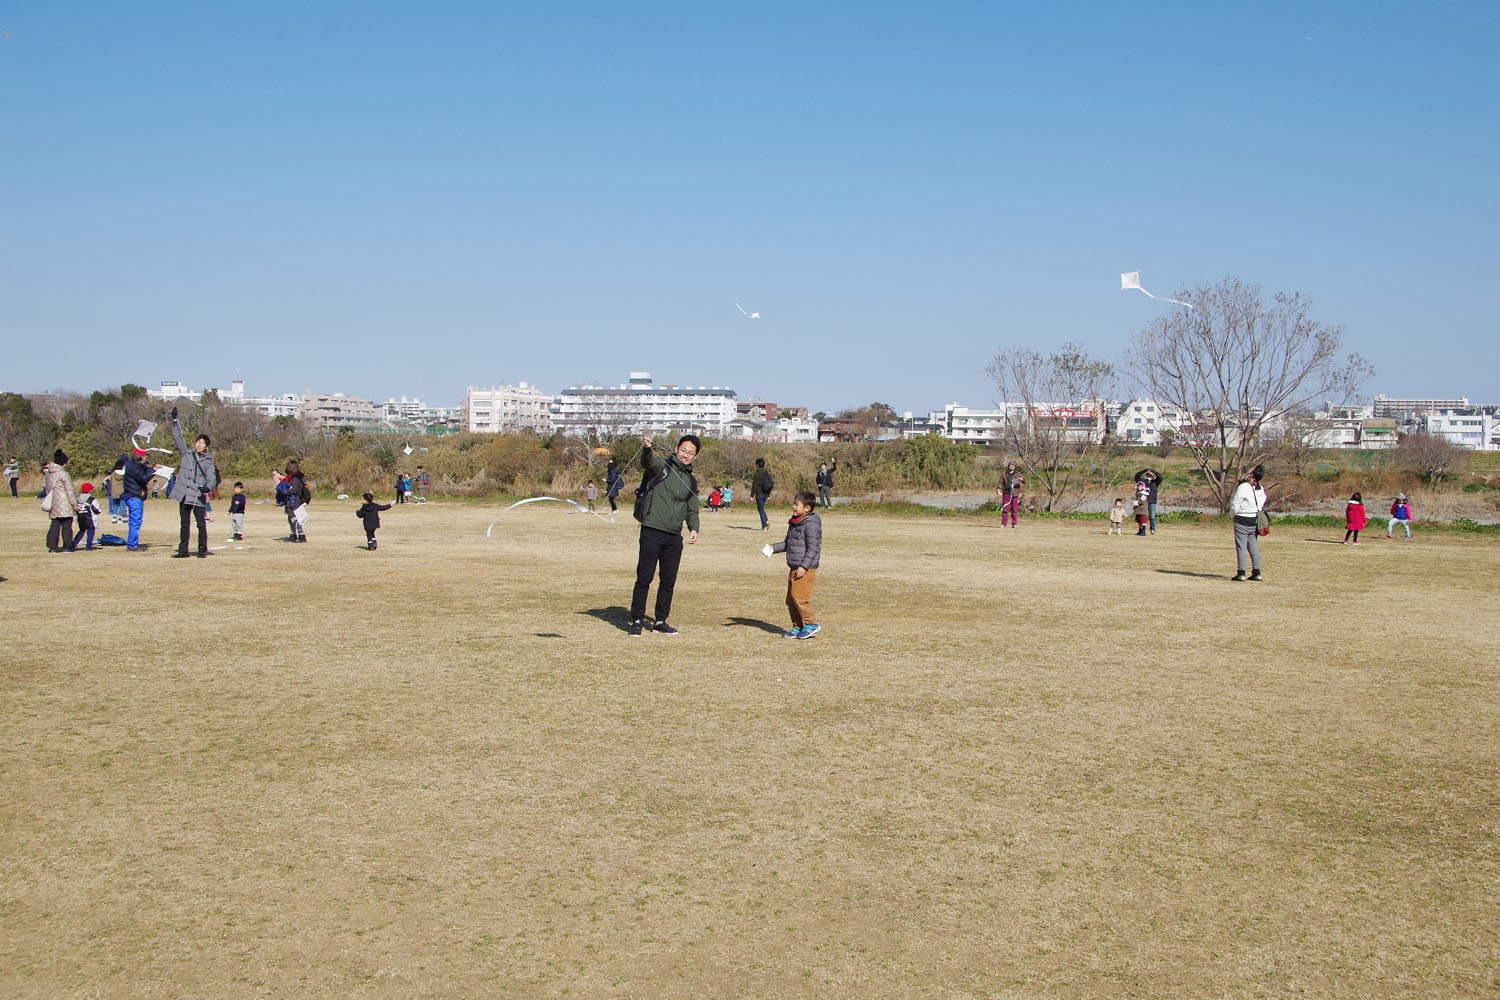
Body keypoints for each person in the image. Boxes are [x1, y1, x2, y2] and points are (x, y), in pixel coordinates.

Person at [628, 433, 700, 637]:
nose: (686, 455)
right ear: (677, 449)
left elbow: (692, 507)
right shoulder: (662, 466)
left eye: (691, 453)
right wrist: (646, 448)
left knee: (668, 580)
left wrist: (693, 528)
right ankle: (637, 619)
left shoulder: (691, 481)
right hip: (652, 529)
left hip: (673, 537)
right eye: (683, 450)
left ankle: (660, 620)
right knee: (644, 577)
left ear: (695, 456)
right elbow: (647, 462)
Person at [769, 490, 823, 639]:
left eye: (796, 504)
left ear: (807, 508)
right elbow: (788, 544)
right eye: (793, 504)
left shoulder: (811, 524)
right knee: (790, 600)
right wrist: (773, 548)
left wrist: (804, 567)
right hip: (794, 567)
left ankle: (811, 624)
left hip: (805, 569)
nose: (793, 507)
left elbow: (813, 548)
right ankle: (797, 627)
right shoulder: (794, 522)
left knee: (799, 598)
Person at [167, 407, 219, 558]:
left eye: (202, 443)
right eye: (197, 442)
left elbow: (212, 478)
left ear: (206, 446)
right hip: (184, 494)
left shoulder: (208, 461)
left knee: (201, 525)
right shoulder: (187, 454)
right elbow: (178, 439)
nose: (198, 444)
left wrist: (207, 488)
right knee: (184, 524)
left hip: (197, 495)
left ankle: (202, 550)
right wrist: (175, 422)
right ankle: (183, 551)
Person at [1230, 464, 1267, 581]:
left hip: (1242, 518)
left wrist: (1233, 515)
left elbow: (1235, 504)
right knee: (1253, 546)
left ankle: (1241, 572)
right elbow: (1262, 502)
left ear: (1251, 475)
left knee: (1241, 546)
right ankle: (1256, 571)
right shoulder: (1260, 488)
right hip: (1254, 519)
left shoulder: (1244, 487)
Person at [42, 449, 77, 552]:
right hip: (64, 502)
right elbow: (69, 490)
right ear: (64, 463)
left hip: (54, 501)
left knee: (54, 525)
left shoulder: (48, 474)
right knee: (67, 525)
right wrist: (74, 503)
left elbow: (48, 489)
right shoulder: (63, 474)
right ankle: (67, 546)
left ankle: (52, 547)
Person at [120, 449, 153, 550]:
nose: (145, 458)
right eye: (144, 457)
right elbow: (143, 478)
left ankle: (132, 543)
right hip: (134, 496)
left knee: (133, 521)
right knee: (135, 521)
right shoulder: (134, 467)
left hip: (131, 495)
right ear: (140, 458)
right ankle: (132, 545)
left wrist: (151, 469)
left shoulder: (133, 466)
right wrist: (154, 472)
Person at [282, 461, 310, 542]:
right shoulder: (292, 478)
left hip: (294, 502)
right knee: (290, 518)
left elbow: (293, 490)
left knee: (295, 519)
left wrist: (284, 491)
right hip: (292, 501)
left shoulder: (295, 479)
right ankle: (293, 534)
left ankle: (301, 535)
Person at [72, 483, 101, 550]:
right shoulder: (92, 499)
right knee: (90, 532)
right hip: (90, 519)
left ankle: (73, 544)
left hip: (80, 518)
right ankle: (88, 547)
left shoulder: (78, 499)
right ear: (90, 490)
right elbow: (97, 510)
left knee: (81, 531)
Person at [1136, 468, 1163, 533]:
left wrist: (1153, 471)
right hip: (1143, 501)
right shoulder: (1143, 481)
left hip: (1152, 501)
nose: (1149, 476)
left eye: (1150, 475)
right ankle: (1141, 529)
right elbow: (1137, 476)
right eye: (1147, 474)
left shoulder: (1155, 482)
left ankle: (1152, 529)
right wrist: (1144, 470)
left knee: (1152, 516)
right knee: (1141, 515)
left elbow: (1160, 478)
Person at [751, 457, 774, 531]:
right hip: (766, 494)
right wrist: (768, 495)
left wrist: (752, 495)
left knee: (760, 509)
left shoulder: (757, 474)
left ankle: (764, 524)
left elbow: (754, 485)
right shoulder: (766, 473)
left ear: (757, 465)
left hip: (759, 494)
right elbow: (770, 484)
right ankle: (766, 521)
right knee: (761, 509)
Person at [998, 462, 1023, 528]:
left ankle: (1014, 524)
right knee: (1005, 510)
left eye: (1013, 465)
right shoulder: (1004, 474)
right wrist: (998, 488)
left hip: (1015, 494)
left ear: (1015, 467)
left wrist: (1021, 479)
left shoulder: (1018, 474)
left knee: (1014, 510)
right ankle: (1004, 524)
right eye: (1010, 465)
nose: (1011, 466)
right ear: (1008, 466)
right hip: (1006, 493)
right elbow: (1000, 482)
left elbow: (1024, 481)